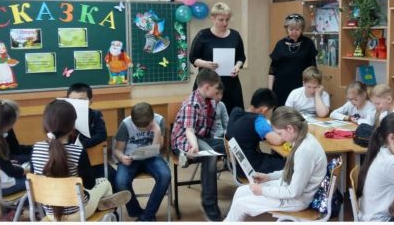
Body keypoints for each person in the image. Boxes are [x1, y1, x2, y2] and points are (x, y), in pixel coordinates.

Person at [224, 106, 327, 221]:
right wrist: (269, 177)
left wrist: (262, 191)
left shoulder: (305, 151)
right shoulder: (302, 138)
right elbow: (293, 172)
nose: (280, 137)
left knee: (240, 204)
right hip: (287, 187)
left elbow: (293, 192)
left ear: (290, 128)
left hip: (296, 200)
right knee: (240, 191)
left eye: (280, 133)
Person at [31, 100, 128, 220]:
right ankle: (105, 213)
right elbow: (90, 184)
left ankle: (99, 205)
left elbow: (36, 177)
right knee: (105, 182)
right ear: (73, 126)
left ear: (45, 125)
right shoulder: (78, 152)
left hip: (51, 214)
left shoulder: (36, 148)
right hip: (78, 213)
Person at [171, 69, 225, 221]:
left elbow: (210, 129)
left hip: (200, 139)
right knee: (210, 156)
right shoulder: (192, 104)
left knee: (227, 145)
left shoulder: (209, 101)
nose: (217, 92)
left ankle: (191, 156)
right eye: (216, 89)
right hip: (184, 140)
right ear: (207, 87)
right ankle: (209, 206)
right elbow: (189, 131)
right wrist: (194, 146)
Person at [113, 102, 171, 221]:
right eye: (140, 129)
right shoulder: (126, 124)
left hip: (152, 156)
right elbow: (117, 150)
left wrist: (157, 130)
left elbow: (158, 148)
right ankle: (137, 212)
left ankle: (147, 216)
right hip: (131, 158)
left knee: (165, 176)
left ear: (152, 119)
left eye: (148, 127)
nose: (144, 130)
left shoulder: (159, 121)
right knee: (120, 181)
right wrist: (122, 158)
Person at [357, 113, 394, 221]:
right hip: (380, 219)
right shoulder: (391, 164)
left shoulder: (389, 152)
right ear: (392, 138)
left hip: (375, 215)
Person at [189, 2, 246, 113]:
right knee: (206, 115)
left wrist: (237, 66)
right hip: (208, 85)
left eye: (227, 20)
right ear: (213, 18)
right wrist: (206, 64)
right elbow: (193, 58)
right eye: (221, 20)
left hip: (230, 85)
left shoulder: (235, 35)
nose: (225, 23)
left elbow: (241, 57)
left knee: (232, 115)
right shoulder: (203, 35)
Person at [225, 88, 285, 175]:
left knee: (275, 159)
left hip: (236, 164)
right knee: (289, 166)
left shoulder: (235, 112)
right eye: (270, 110)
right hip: (250, 168)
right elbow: (277, 140)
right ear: (264, 110)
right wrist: (288, 133)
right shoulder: (258, 121)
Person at [66, 82, 115, 183]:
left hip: (95, 161)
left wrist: (83, 144)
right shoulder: (63, 117)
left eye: (82, 100)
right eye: (73, 100)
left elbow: (102, 135)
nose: (77, 104)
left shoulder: (95, 115)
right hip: (73, 164)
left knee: (115, 178)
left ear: (91, 101)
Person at [268, 13, 317, 107]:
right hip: (281, 86)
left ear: (302, 29)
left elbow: (313, 68)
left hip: (301, 86)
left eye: (297, 29)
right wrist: (270, 90)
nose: (294, 32)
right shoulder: (280, 44)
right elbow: (272, 69)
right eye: (291, 29)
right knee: (281, 112)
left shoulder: (308, 43)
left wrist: (313, 86)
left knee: (298, 111)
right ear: (286, 29)